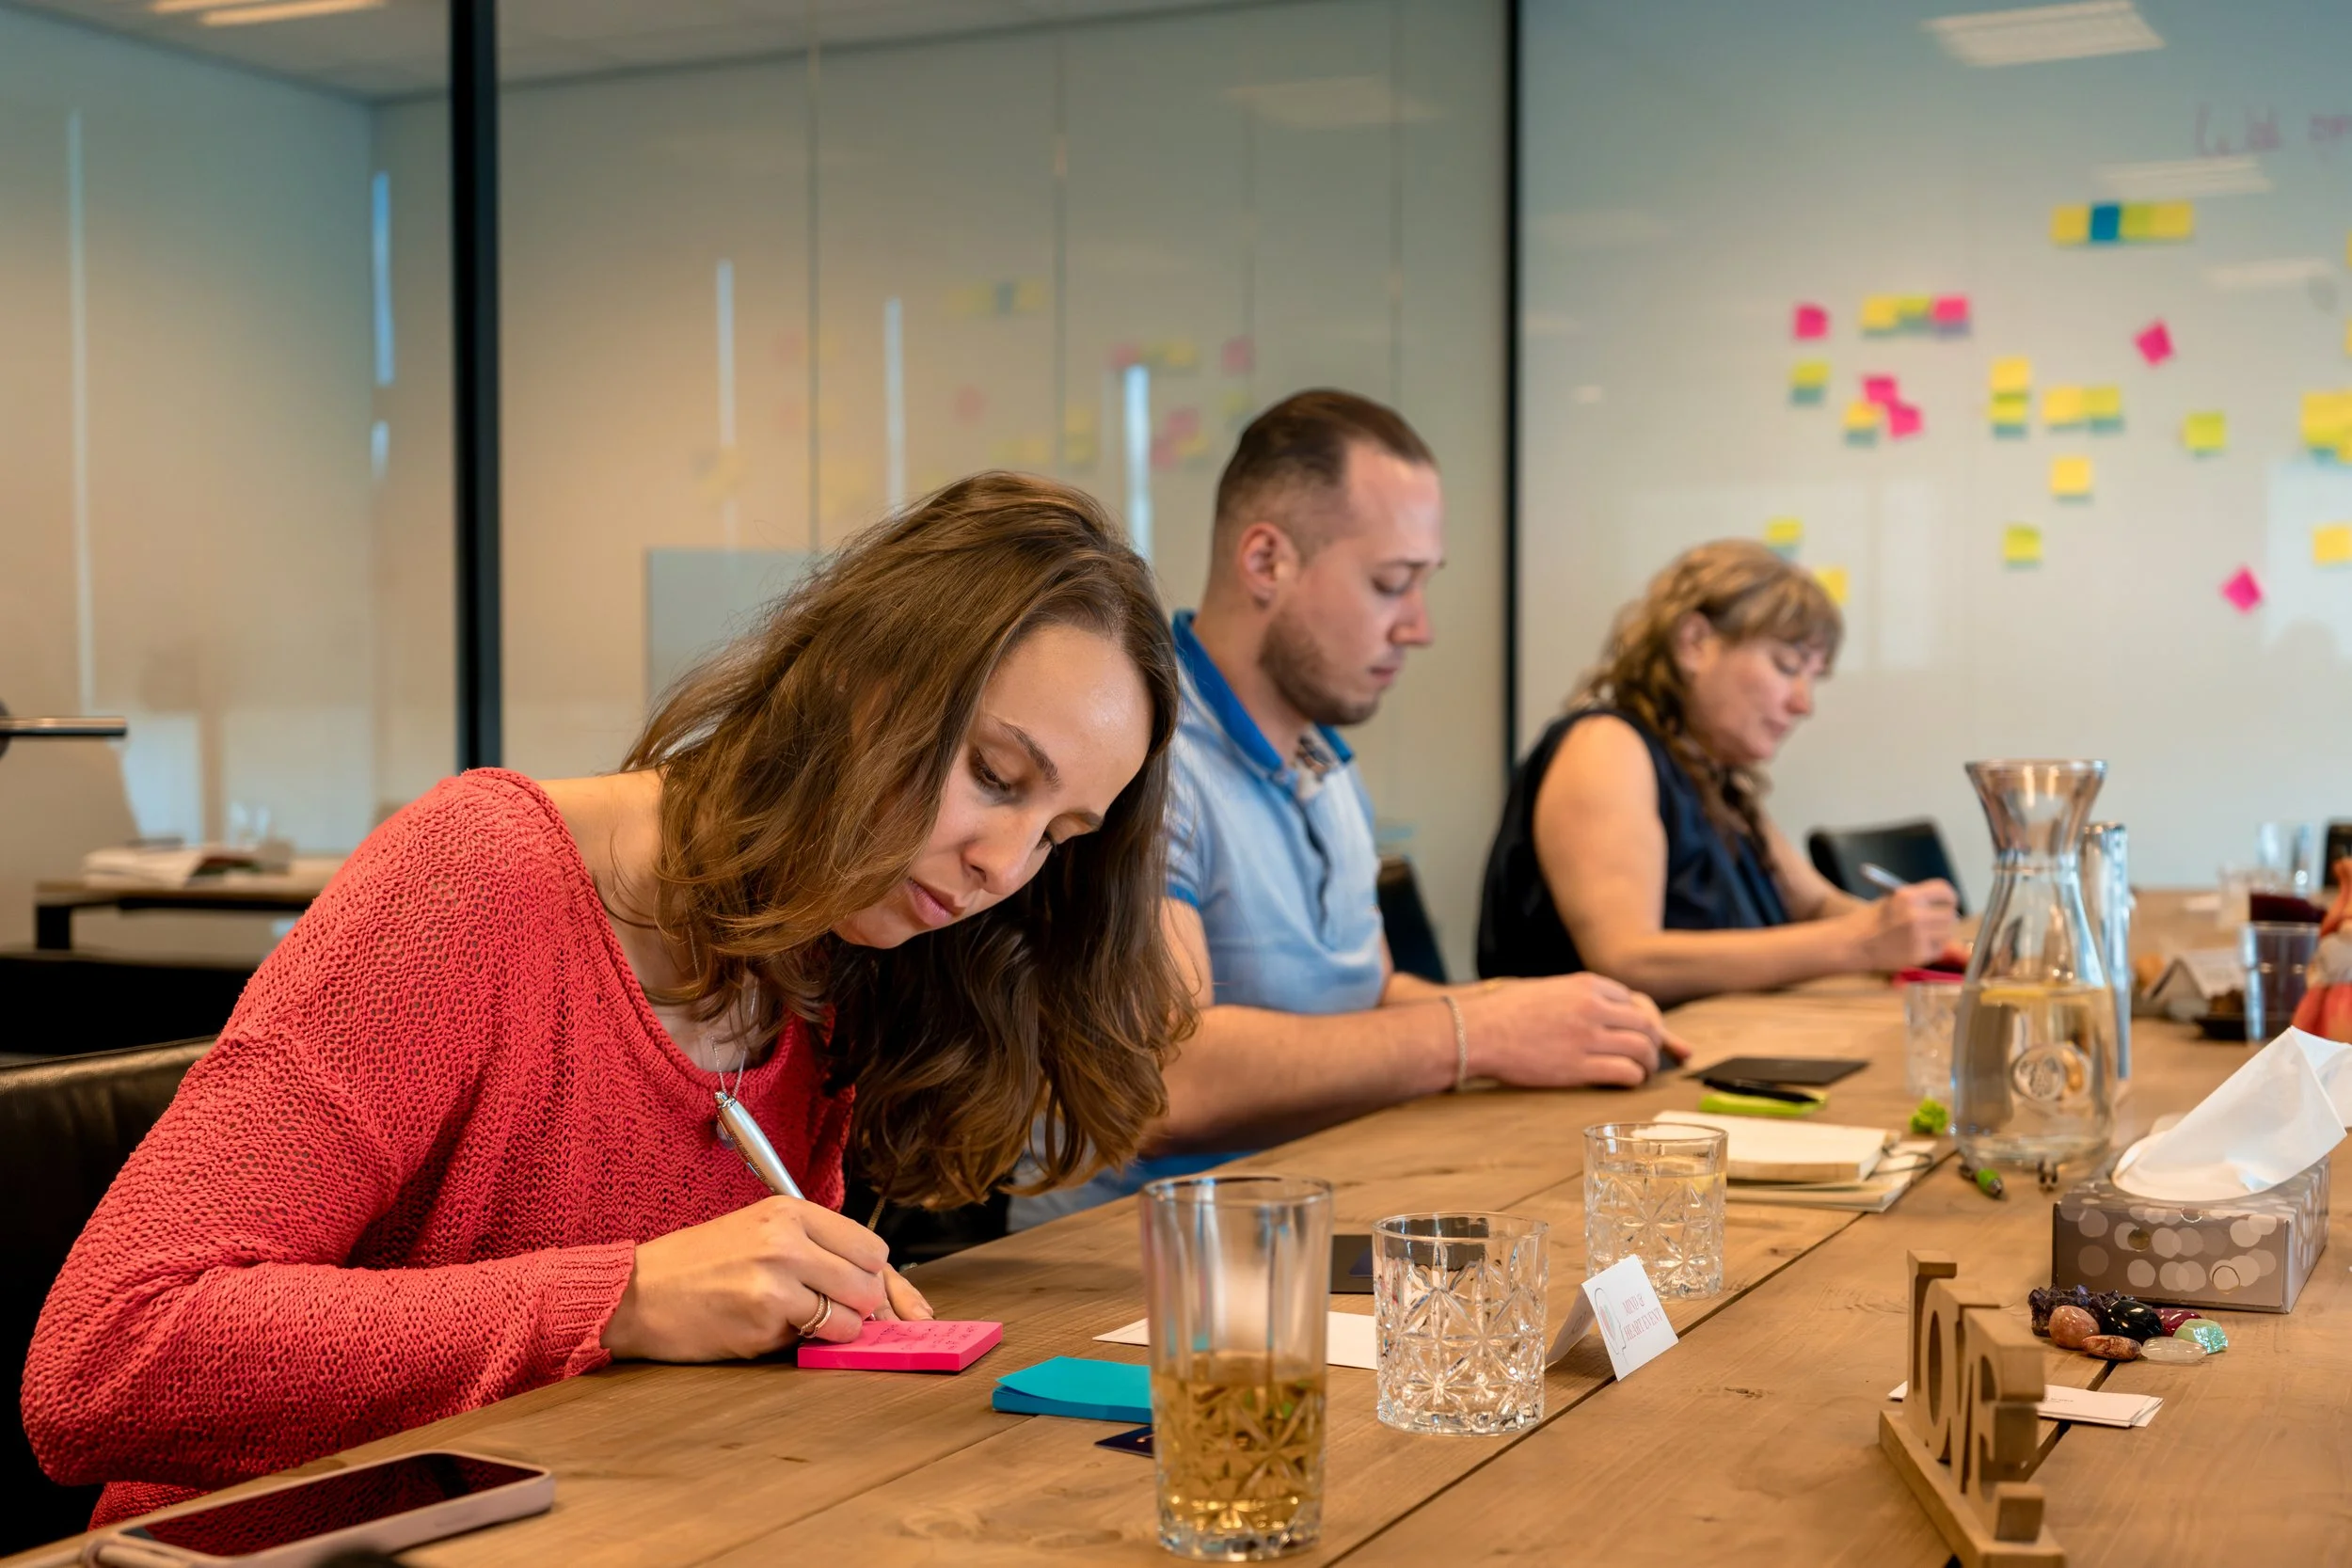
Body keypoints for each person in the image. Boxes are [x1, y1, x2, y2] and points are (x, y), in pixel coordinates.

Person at [24, 474, 1191, 1527]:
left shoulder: (849, 948)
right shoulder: (476, 877)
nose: (1005, 865)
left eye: (1059, 833)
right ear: (857, 680)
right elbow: (104, 1358)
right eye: (994, 774)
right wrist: (620, 1295)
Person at [1010, 390, 1682, 1227]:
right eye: (1390, 583)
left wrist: (1545, 1015)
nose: (1420, 627)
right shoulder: (1144, 761)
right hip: (1142, 1265)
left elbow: (1346, 997)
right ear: (1266, 561)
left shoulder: (1324, 762)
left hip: (1325, 1206)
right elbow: (1161, 1077)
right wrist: (1478, 1034)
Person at [1475, 538, 1959, 1006]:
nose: (1803, 703)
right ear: (1695, 643)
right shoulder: (1605, 746)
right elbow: (1626, 958)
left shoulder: (1715, 775)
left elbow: (1814, 906)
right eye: (1786, 666)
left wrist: (1914, 934)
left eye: (1812, 678)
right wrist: (1860, 944)